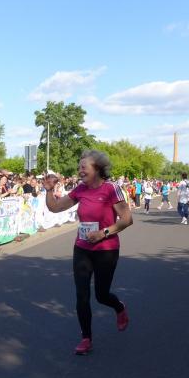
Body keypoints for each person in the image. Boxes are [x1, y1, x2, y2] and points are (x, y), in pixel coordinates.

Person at [43, 150, 133, 355]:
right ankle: (86, 338)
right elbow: (55, 208)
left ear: (97, 169)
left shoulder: (111, 189)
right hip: (82, 248)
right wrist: (49, 190)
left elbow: (127, 219)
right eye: (79, 167)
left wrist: (103, 233)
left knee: (102, 295)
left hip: (106, 249)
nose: (80, 170)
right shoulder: (80, 189)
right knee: (81, 295)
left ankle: (119, 307)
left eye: (84, 167)